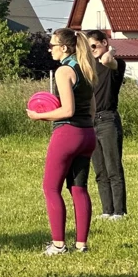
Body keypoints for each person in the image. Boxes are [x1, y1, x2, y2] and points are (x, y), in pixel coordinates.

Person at [27, 28, 98, 255]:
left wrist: (39, 116)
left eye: (53, 45)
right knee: (79, 189)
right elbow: (93, 109)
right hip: (88, 134)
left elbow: (67, 110)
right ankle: (81, 245)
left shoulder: (64, 71)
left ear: (65, 48)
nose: (50, 49)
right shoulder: (87, 68)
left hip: (68, 134)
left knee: (50, 188)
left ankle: (58, 245)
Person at [86, 29, 128, 220]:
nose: (92, 49)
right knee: (100, 169)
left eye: (94, 45)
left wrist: (111, 50)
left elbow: (106, 61)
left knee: (113, 168)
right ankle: (106, 210)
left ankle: (119, 212)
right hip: (91, 121)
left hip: (108, 120)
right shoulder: (89, 67)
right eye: (89, 47)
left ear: (104, 43)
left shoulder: (116, 64)